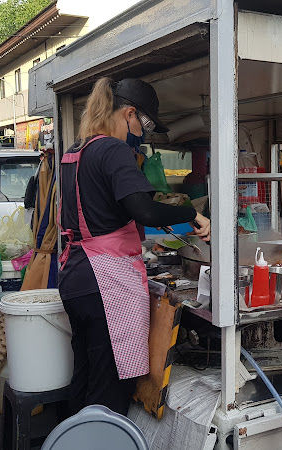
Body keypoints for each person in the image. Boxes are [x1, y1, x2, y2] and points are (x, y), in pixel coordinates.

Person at [58, 77, 211, 415]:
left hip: (75, 276)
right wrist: (192, 212)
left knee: (84, 376)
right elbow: (144, 209)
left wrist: (182, 221)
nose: (143, 134)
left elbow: (118, 214)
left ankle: (69, 438)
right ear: (129, 114)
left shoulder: (77, 151)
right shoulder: (112, 149)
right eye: (145, 125)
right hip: (104, 282)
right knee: (109, 387)